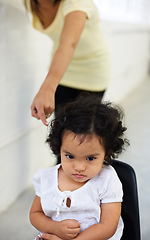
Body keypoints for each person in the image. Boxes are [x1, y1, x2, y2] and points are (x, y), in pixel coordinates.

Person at [29, 94, 129, 240]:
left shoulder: (107, 179)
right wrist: (55, 227)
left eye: (90, 158)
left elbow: (108, 226)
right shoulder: (47, 178)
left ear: (106, 153)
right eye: (70, 156)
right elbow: (35, 214)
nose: (79, 167)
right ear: (59, 147)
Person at [24, 0, 110, 126]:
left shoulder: (77, 2)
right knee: (62, 129)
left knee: (83, 133)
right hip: (62, 72)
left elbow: (69, 44)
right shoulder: (29, 2)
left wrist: (47, 88)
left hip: (91, 72)